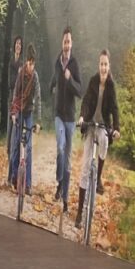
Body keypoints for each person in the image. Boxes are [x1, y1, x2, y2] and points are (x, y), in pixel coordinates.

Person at [75, 50, 121, 227]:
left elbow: (115, 109)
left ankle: (99, 177)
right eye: (101, 64)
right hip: (90, 125)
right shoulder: (93, 81)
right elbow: (86, 101)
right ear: (99, 65)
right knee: (85, 168)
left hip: (102, 126)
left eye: (106, 64)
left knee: (105, 143)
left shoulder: (111, 86)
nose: (103, 67)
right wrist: (81, 117)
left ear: (109, 67)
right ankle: (79, 214)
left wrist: (116, 128)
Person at [49, 26, 82, 211]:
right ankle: (60, 181)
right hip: (58, 115)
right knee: (60, 148)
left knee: (67, 161)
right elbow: (54, 79)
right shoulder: (57, 62)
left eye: (69, 41)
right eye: (65, 41)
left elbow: (80, 90)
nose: (67, 45)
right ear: (62, 43)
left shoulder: (74, 64)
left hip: (70, 118)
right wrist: (50, 88)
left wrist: (70, 80)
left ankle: (65, 198)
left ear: (72, 43)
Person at [8, 43, 41, 193]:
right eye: (29, 62)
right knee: (16, 145)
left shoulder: (35, 78)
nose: (30, 65)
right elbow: (15, 95)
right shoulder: (21, 73)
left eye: (32, 63)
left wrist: (38, 122)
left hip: (29, 113)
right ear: (26, 61)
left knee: (28, 148)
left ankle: (27, 184)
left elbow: (38, 99)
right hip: (19, 111)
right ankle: (15, 177)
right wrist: (14, 114)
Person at [6, 36, 23, 157]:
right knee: (10, 126)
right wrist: (18, 74)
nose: (18, 45)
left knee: (17, 126)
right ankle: (8, 152)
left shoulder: (22, 63)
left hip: (19, 99)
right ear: (14, 46)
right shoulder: (11, 63)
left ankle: (15, 154)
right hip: (12, 97)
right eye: (17, 43)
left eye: (20, 44)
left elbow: (22, 83)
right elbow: (10, 83)